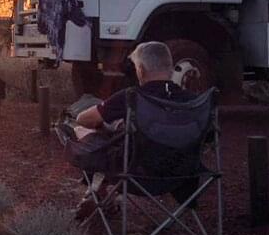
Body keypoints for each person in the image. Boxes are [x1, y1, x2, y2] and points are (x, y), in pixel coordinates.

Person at [72, 41, 195, 219]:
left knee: (82, 132)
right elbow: (208, 138)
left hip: (137, 174)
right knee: (120, 135)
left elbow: (84, 119)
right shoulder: (194, 101)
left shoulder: (131, 96)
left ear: (141, 70)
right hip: (183, 174)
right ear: (170, 68)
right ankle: (99, 194)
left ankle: (99, 192)